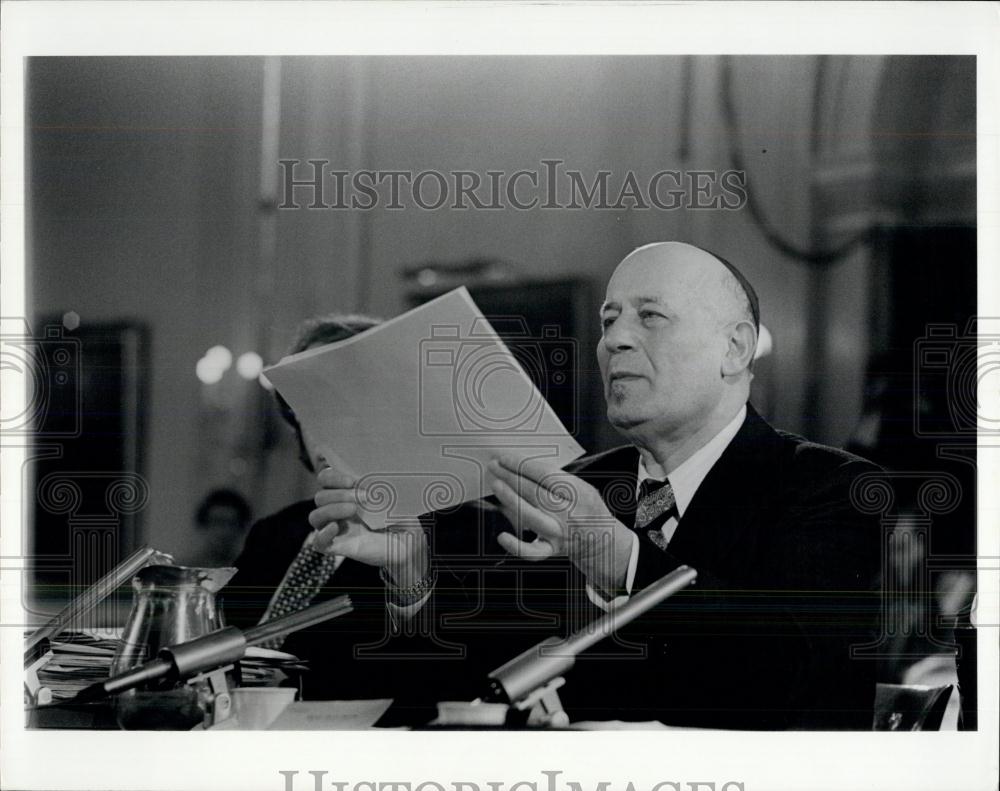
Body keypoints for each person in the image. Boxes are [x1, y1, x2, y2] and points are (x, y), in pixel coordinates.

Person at [313, 241, 883, 729]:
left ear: (734, 348)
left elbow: (801, 668)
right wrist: (412, 575)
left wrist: (620, 559)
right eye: (609, 321)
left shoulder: (832, 487)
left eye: (650, 316)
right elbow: (472, 680)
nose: (615, 341)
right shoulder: (579, 487)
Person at [222, 315, 445, 706]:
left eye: (348, 402)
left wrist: (411, 582)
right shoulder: (273, 532)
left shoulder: (472, 526)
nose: (329, 426)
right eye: (311, 406)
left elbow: (453, 687)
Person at [186, 488, 252, 567]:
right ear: (204, 525)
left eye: (231, 524)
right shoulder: (185, 572)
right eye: (217, 522)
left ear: (242, 528)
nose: (223, 532)